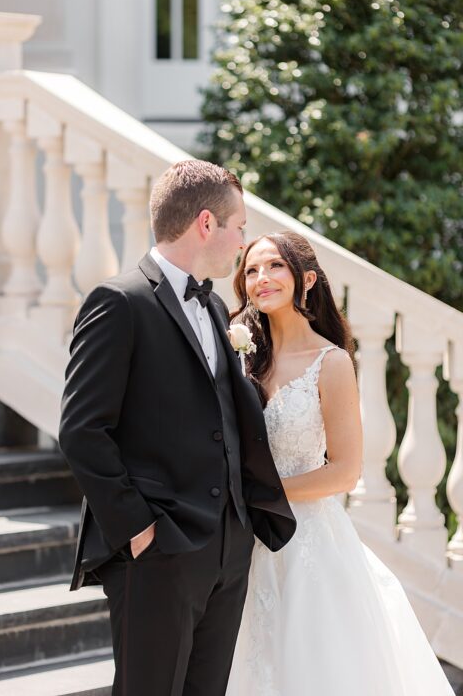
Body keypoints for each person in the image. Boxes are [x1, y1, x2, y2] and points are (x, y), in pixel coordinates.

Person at [58, 159, 296, 696]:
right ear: (206, 224)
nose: (242, 242)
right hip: (160, 551)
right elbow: (81, 429)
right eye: (239, 227)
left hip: (227, 550)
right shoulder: (118, 302)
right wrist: (140, 531)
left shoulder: (214, 305)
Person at [225, 231, 453, 695]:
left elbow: (345, 472)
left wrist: (258, 493)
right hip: (240, 541)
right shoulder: (243, 357)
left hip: (307, 542)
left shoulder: (330, 363)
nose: (261, 278)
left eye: (275, 266)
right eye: (251, 269)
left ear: (305, 279)